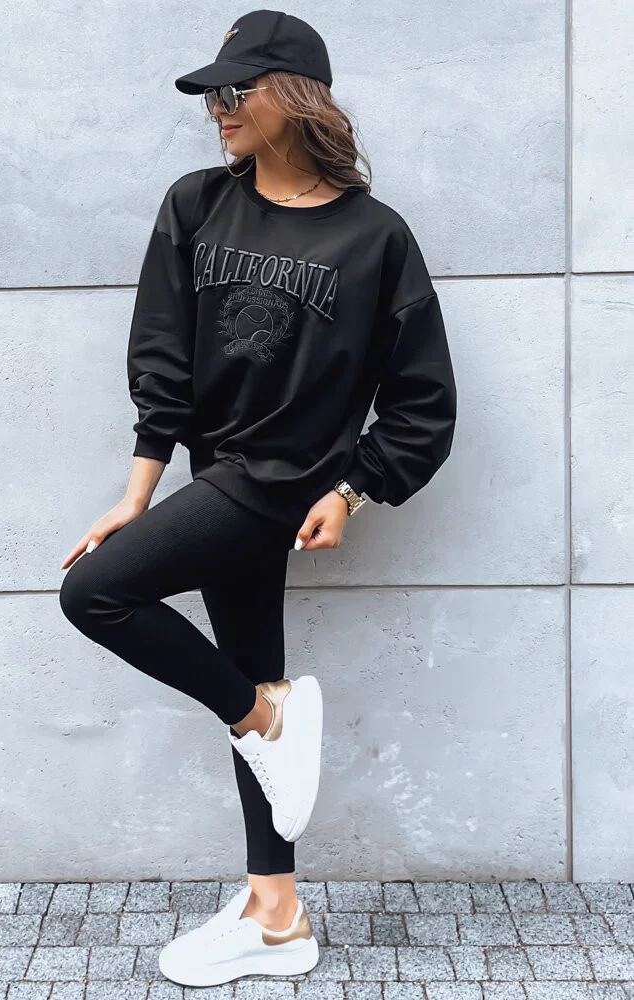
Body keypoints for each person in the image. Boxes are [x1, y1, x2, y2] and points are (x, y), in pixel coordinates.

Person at [59, 8, 457, 988]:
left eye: (237, 91)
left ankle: (267, 718)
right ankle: (277, 915)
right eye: (212, 95)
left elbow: (423, 402)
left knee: (94, 595)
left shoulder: (374, 236)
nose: (219, 110)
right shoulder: (196, 204)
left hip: (282, 486)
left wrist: (354, 489)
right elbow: (162, 359)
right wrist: (139, 491)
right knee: (250, 677)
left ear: (296, 97)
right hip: (216, 475)